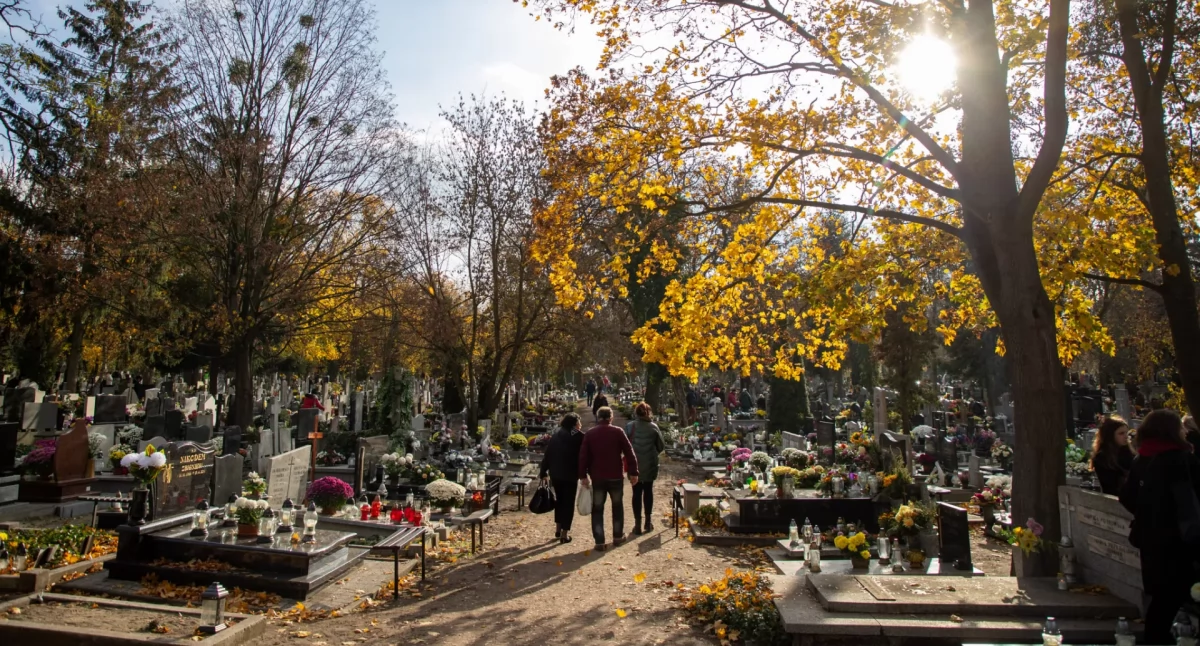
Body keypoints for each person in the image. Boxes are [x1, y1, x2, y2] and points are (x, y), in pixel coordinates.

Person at [1119, 410, 1200, 644]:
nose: (1185, 431)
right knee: (1176, 598)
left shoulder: (1142, 459)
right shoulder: (1182, 460)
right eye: (1180, 427)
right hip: (1181, 542)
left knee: (1161, 600)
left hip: (1150, 540)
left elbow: (1127, 496)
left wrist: (1146, 515)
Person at [578, 406, 638, 550]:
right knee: (617, 507)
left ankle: (599, 540)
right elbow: (630, 452)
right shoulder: (618, 432)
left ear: (598, 418)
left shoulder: (590, 434)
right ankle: (617, 536)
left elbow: (583, 456)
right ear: (611, 418)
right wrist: (633, 472)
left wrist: (582, 475)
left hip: (598, 477)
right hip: (615, 476)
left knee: (598, 508)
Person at [540, 413, 585, 543]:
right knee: (568, 503)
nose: (580, 425)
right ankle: (565, 534)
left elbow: (548, 454)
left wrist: (543, 471)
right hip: (570, 474)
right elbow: (583, 456)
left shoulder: (556, 435)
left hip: (556, 474)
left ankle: (558, 529)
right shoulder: (579, 436)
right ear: (575, 424)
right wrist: (584, 472)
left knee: (559, 500)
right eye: (579, 423)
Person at [626, 403, 665, 534]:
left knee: (636, 493)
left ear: (636, 413)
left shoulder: (630, 426)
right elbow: (661, 446)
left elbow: (625, 446)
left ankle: (637, 524)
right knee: (648, 491)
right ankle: (648, 522)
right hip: (650, 463)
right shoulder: (654, 427)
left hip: (634, 463)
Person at [1091, 415, 1134, 495]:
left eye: (1126, 433)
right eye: (1121, 433)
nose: (1126, 436)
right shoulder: (1102, 458)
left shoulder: (1128, 452)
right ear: (1110, 435)